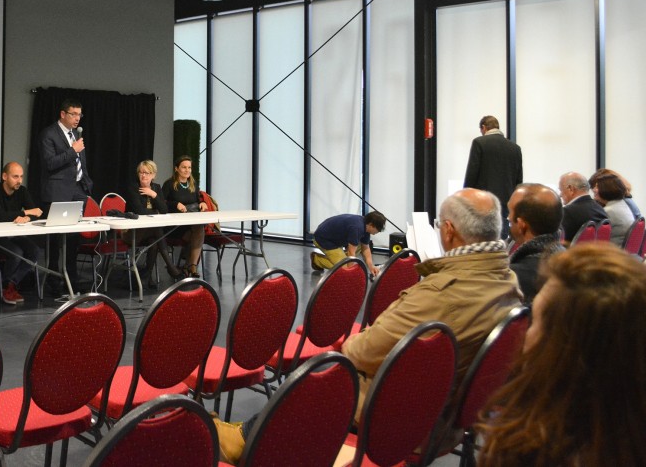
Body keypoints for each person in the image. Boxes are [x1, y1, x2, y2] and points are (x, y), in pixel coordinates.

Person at [214, 188, 522, 464]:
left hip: (404, 417)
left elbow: (361, 351)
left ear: (450, 231)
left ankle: (244, 441)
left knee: (320, 377)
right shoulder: (508, 282)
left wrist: (356, 344)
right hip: (451, 412)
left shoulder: (443, 293)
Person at [478, 244, 646, 467]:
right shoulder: (642, 439)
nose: (525, 332)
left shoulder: (527, 450)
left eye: (535, 322)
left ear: (566, 352)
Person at [38, 98, 93, 292]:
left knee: (73, 239)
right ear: (63, 114)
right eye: (73, 114)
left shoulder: (75, 134)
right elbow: (50, 163)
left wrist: (86, 184)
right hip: (58, 192)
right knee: (55, 240)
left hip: (78, 191)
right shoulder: (49, 134)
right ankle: (53, 280)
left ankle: (72, 278)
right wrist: (72, 151)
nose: (77, 118)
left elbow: (81, 163)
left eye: (79, 114)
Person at [0, 161, 44, 305]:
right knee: (16, 253)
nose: (19, 181)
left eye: (21, 177)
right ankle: (4, 287)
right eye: (15, 177)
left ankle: (11, 284)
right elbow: (0, 216)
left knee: (35, 251)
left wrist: (27, 217)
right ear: (4, 176)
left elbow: (37, 212)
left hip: (13, 235)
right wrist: (25, 212)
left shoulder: (22, 191)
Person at [463, 115, 523, 237]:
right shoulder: (515, 148)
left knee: (482, 237)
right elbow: (518, 180)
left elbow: (472, 174)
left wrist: (465, 198)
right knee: (500, 237)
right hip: (505, 204)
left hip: (482, 202)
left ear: (484, 127)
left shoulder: (479, 143)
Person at [123, 159, 181, 281]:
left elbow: (164, 210)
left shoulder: (156, 188)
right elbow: (139, 211)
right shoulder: (133, 188)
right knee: (157, 230)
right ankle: (171, 267)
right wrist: (156, 212)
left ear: (153, 175)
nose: (143, 175)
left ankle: (147, 275)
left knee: (154, 241)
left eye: (147, 173)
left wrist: (153, 194)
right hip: (131, 232)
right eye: (141, 172)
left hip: (149, 232)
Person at [506, 183, 564, 302]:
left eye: (510, 212)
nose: (508, 217)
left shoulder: (513, 278)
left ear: (521, 225)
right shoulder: (567, 260)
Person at [159, 155, 207, 278]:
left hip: (190, 224)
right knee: (197, 233)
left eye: (189, 167)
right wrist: (175, 204)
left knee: (199, 228)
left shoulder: (193, 183)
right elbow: (161, 204)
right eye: (184, 167)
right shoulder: (169, 184)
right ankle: (188, 266)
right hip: (174, 226)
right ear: (176, 169)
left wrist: (202, 203)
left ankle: (191, 266)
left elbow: (198, 200)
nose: (187, 170)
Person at [310, 211, 385, 276]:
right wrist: (350, 272)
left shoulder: (365, 226)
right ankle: (317, 260)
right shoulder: (357, 228)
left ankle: (340, 259)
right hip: (324, 239)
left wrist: (371, 267)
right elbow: (351, 252)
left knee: (359, 247)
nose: (378, 232)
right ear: (371, 225)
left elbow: (365, 248)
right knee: (344, 267)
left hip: (334, 238)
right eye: (378, 229)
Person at [557, 171, 608, 243]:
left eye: (561, 190)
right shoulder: (600, 209)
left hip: (575, 250)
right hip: (597, 250)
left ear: (571, 189)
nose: (560, 195)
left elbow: (559, 241)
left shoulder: (568, 212)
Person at [592, 172, 634, 246]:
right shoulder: (622, 204)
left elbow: (593, 236)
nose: (593, 190)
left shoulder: (609, 211)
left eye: (597, 187)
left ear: (607, 189)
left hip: (611, 251)